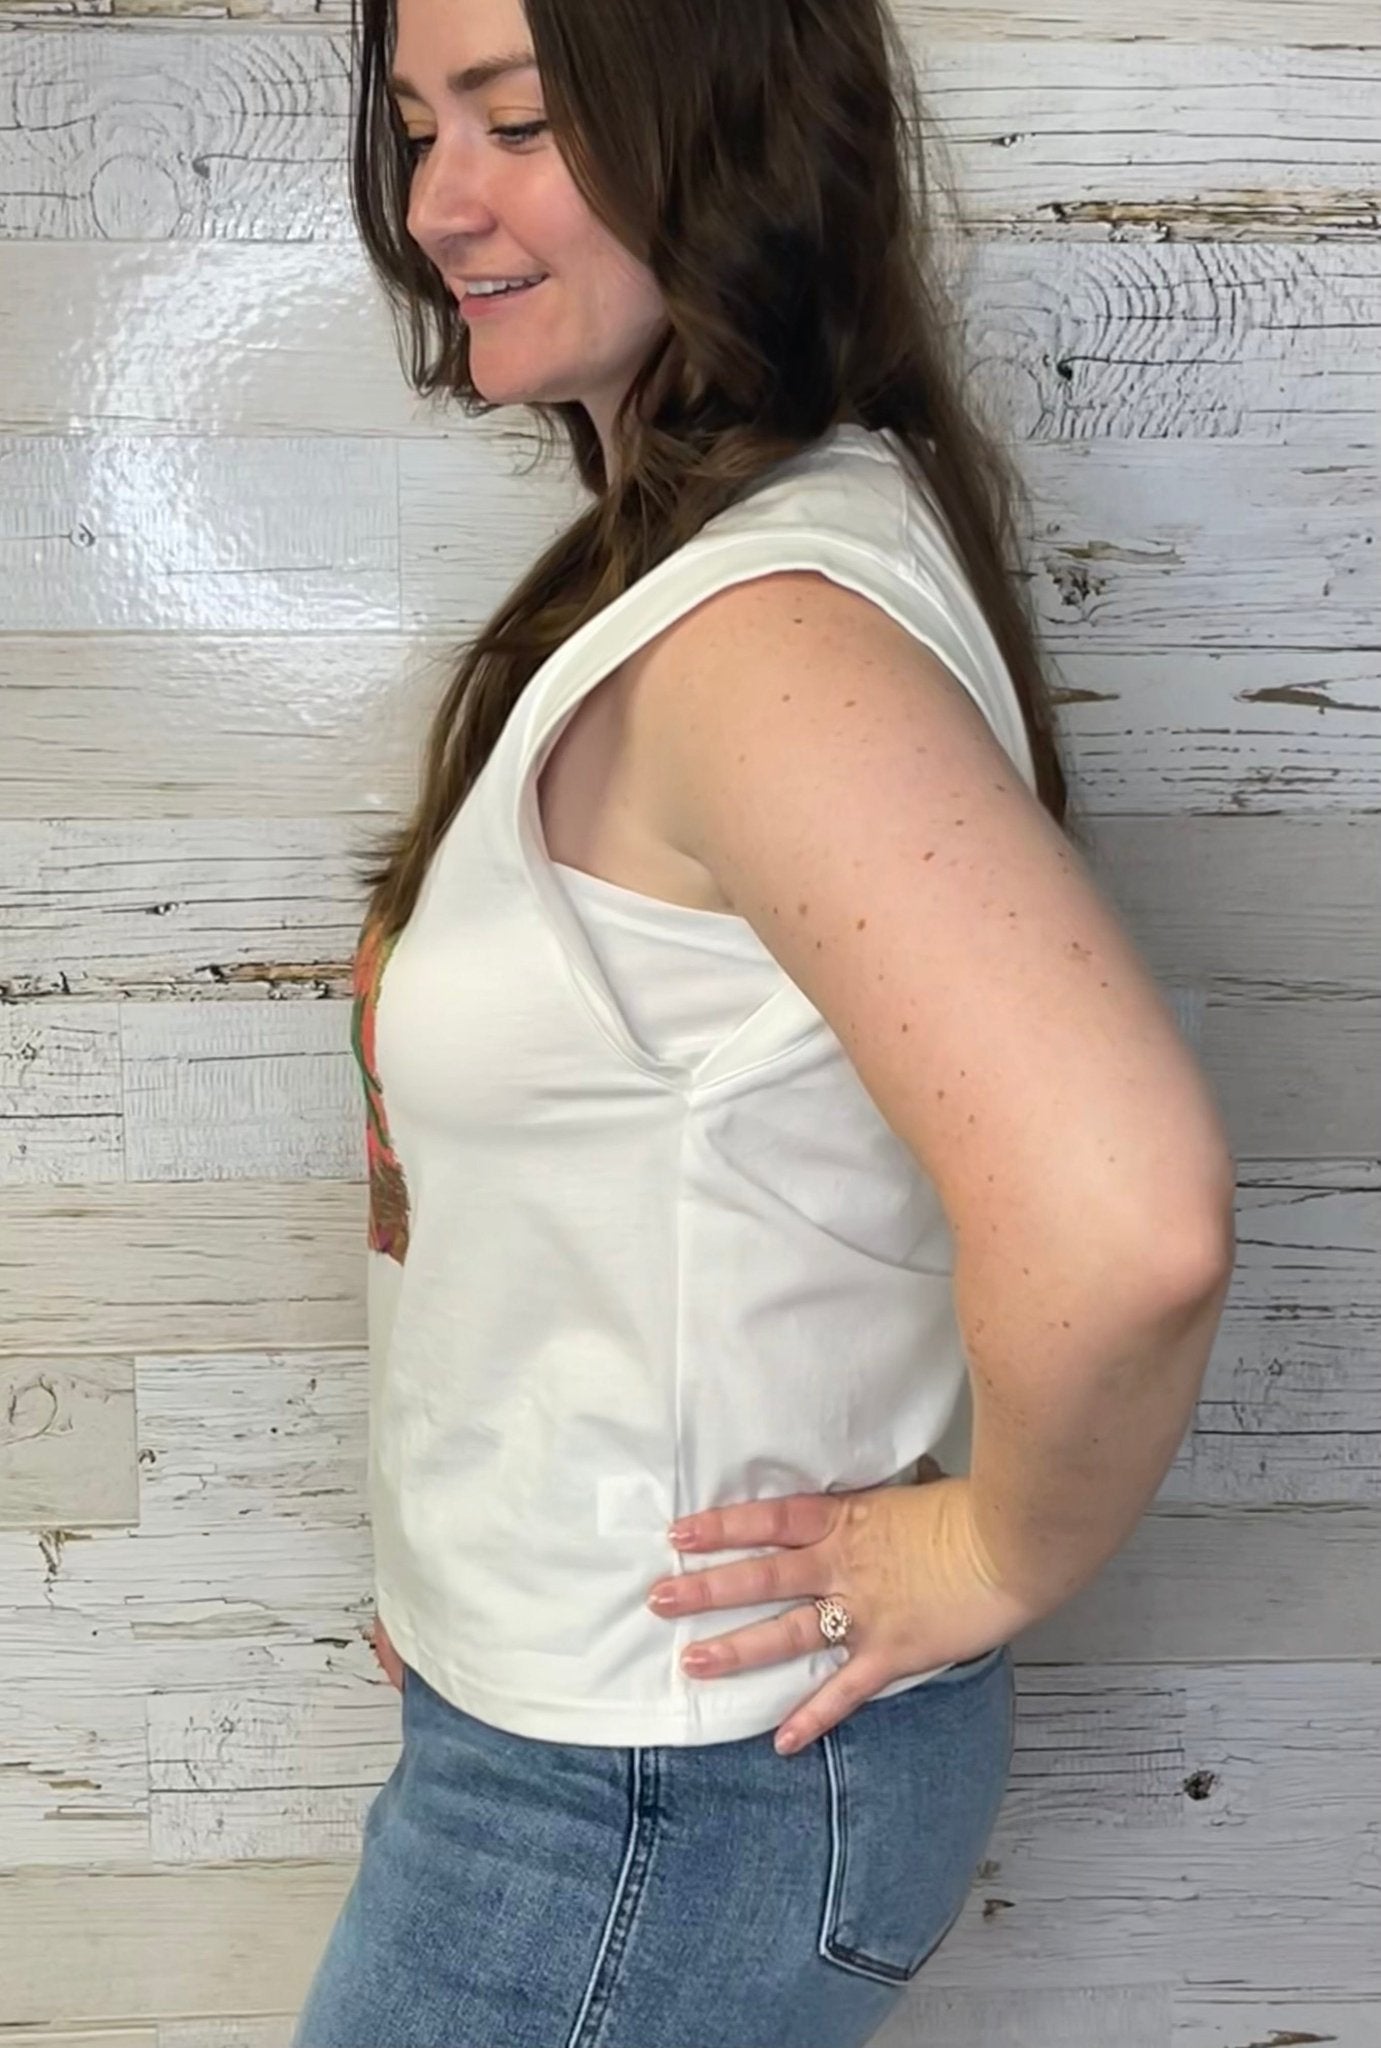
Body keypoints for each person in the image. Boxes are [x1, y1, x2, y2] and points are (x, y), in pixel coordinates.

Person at [293, 0, 1238, 2043]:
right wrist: (476, 1575)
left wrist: (991, 1551)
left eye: (517, 122)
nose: (438, 203)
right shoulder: (704, 570)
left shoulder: (763, 640)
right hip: (599, 1760)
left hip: (650, 1796)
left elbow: (1128, 1219)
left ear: (727, 140)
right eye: (419, 125)